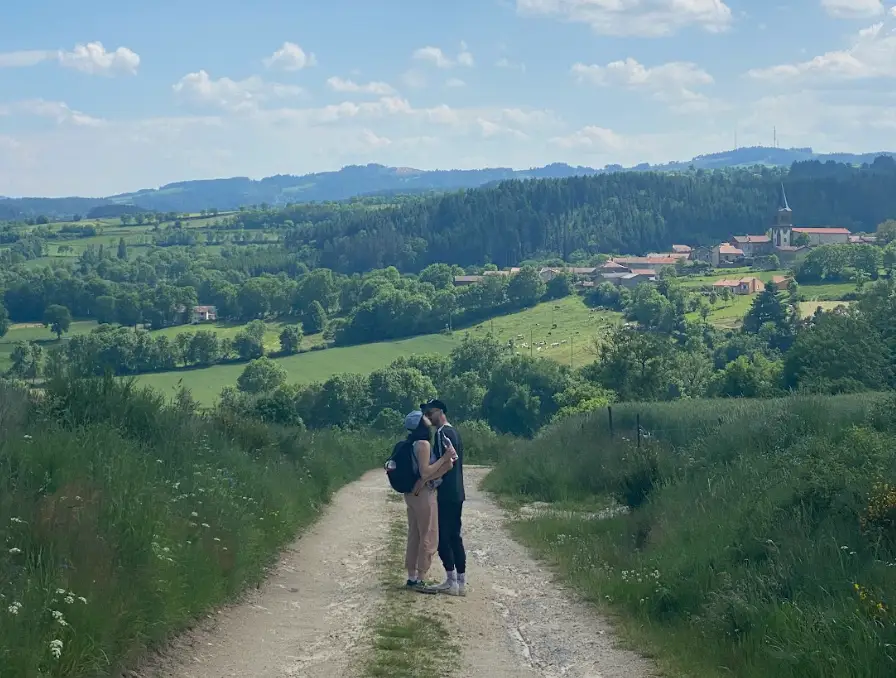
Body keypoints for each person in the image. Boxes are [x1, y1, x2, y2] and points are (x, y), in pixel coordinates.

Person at [402, 409, 456, 591]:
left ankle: (411, 576)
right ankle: (421, 577)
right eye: (424, 418)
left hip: (411, 494)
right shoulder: (423, 444)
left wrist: (443, 466)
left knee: (414, 534)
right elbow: (425, 472)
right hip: (424, 494)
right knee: (428, 534)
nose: (428, 419)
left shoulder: (410, 443)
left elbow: (424, 474)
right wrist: (444, 459)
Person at [421, 399, 467, 596]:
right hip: (458, 491)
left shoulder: (441, 433)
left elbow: (449, 459)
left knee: (442, 537)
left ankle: (450, 581)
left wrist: (431, 479)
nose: (428, 417)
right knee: (455, 536)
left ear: (440, 412)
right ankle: (461, 581)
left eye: (430, 412)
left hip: (446, 491)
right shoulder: (454, 431)